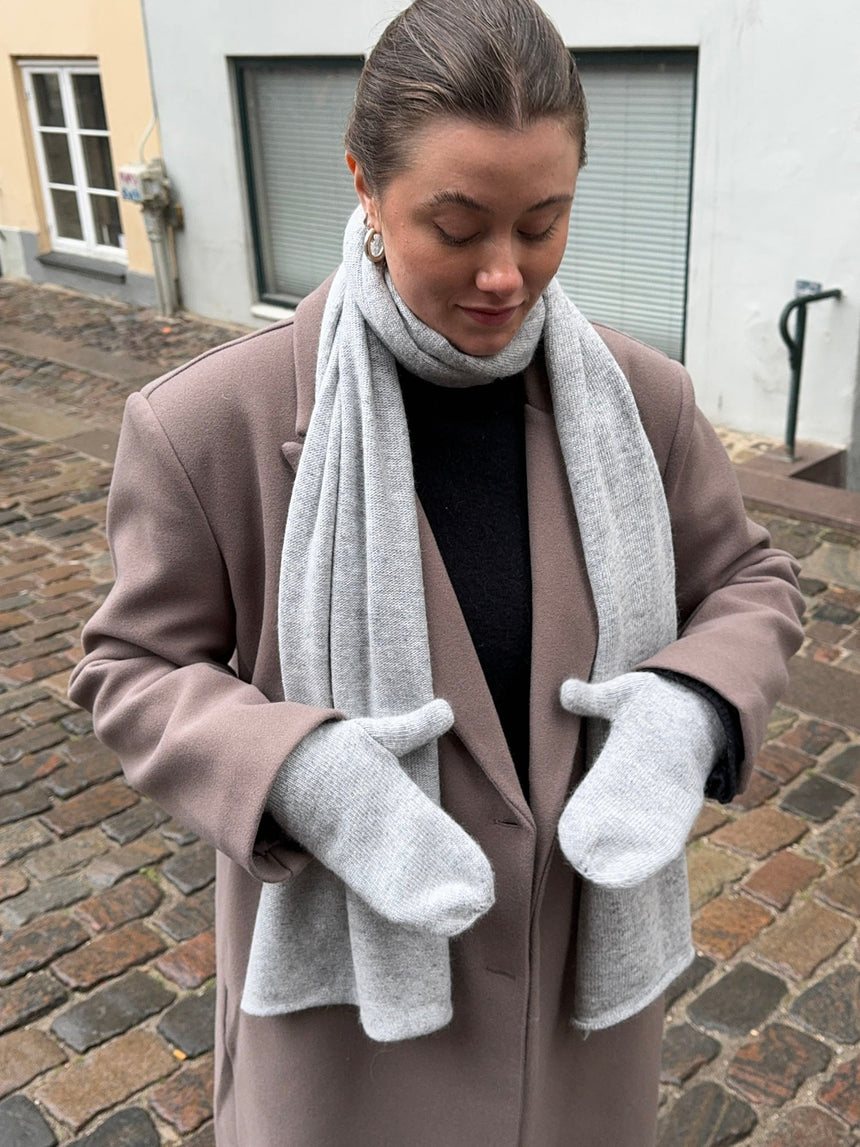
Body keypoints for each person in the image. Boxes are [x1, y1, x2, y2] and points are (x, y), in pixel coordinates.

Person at [69, 0, 804, 1142]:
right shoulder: (208, 423)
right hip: (347, 1057)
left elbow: (752, 582)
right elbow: (130, 667)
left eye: (543, 224)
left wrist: (687, 709)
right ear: (365, 184)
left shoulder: (642, 403)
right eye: (456, 228)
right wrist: (300, 773)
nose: (505, 273)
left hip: (575, 1036)